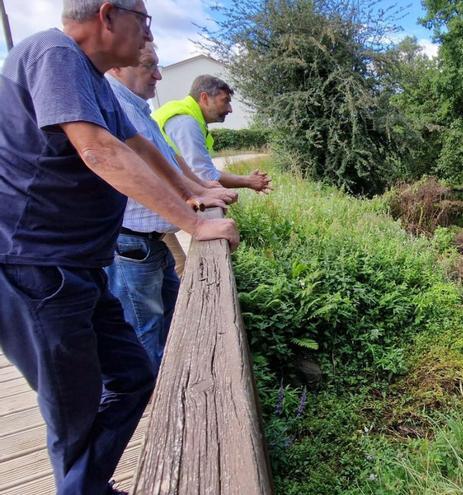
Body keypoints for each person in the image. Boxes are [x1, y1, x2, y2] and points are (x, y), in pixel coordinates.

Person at [0, 1, 239, 494]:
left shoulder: (94, 80)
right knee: (73, 412)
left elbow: (141, 147)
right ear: (108, 16)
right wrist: (194, 225)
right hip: (35, 266)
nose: (149, 36)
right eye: (144, 21)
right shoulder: (55, 52)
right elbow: (98, 149)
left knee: (131, 376)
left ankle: (86, 486)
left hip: (80, 264)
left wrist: (195, 192)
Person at [105, 42, 237, 372]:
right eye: (149, 66)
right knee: (143, 336)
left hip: (151, 242)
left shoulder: (137, 107)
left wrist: (199, 188)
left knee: (176, 319)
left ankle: (173, 380)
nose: (158, 75)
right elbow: (133, 172)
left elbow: (166, 158)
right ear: (116, 66)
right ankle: (150, 407)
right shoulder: (114, 104)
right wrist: (196, 223)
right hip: (131, 243)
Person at [153, 75, 271, 272]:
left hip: (157, 206)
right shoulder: (186, 122)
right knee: (181, 268)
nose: (230, 109)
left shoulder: (188, 118)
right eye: (225, 101)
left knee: (173, 269)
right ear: (205, 97)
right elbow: (204, 174)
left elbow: (188, 169)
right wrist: (247, 181)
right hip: (145, 212)